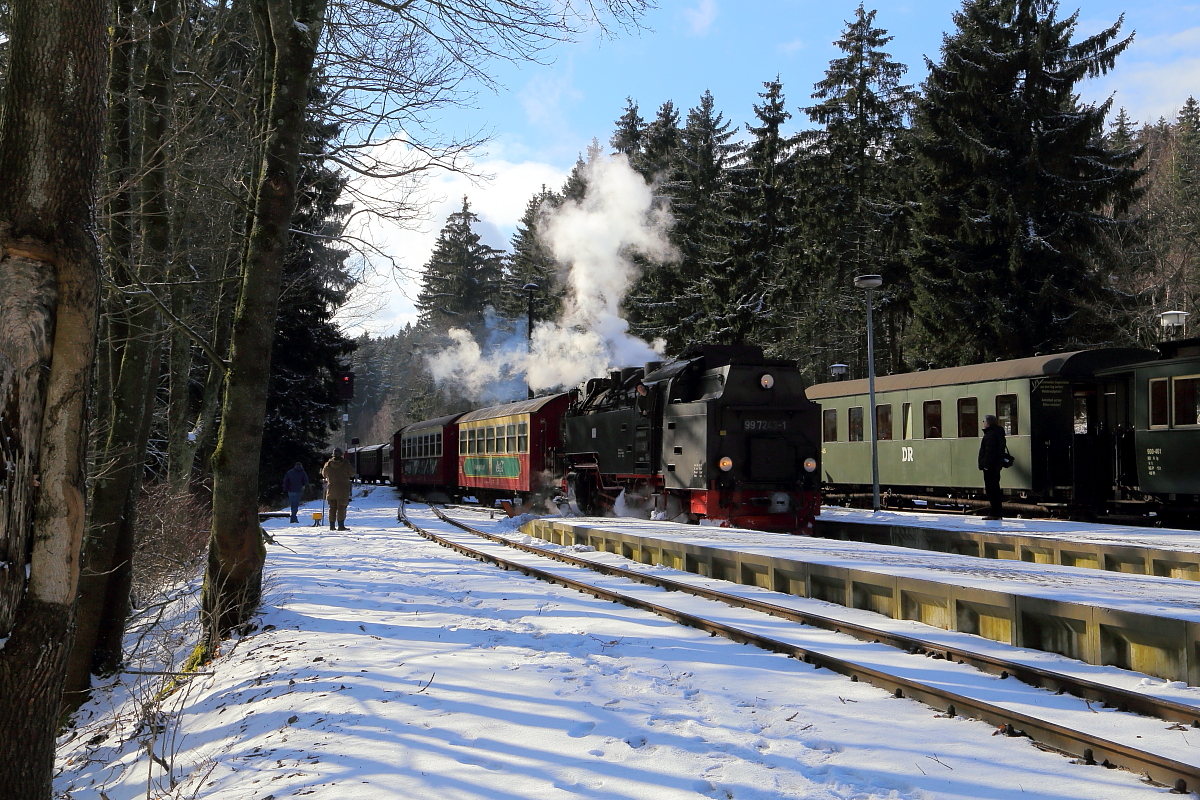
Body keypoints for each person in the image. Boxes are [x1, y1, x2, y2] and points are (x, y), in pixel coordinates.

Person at [978, 414, 1007, 520]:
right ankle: (997, 512)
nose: (983, 423)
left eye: (984, 421)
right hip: (996, 466)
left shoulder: (990, 434)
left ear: (988, 422)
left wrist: (986, 465)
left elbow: (989, 452)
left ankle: (994, 513)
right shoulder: (998, 433)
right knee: (995, 489)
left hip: (990, 467)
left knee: (991, 490)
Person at [322, 448, 355, 531]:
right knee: (341, 508)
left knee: (332, 508)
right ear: (341, 455)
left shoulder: (328, 464)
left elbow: (324, 474)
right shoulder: (345, 463)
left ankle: (332, 526)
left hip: (331, 489)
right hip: (343, 490)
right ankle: (341, 526)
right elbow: (352, 474)